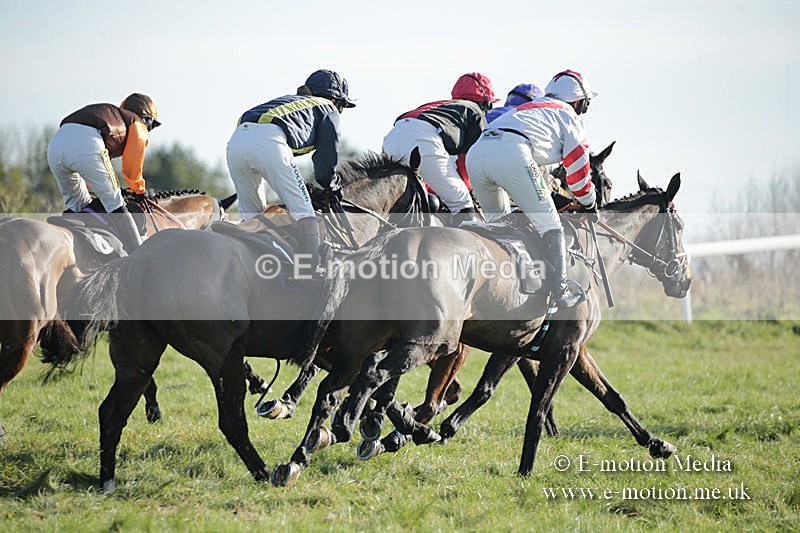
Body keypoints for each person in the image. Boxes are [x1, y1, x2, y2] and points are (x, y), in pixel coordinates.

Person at [466, 69, 598, 309]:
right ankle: (562, 291)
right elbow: (578, 174)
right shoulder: (570, 117)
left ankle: (500, 286)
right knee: (551, 225)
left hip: (477, 155)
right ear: (579, 102)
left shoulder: (533, 108)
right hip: (512, 153)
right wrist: (589, 202)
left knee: (499, 226)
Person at [226, 69, 355, 269]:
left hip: (236, 142)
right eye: (342, 106)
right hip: (270, 141)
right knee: (305, 213)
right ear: (334, 98)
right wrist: (332, 185)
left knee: (252, 217)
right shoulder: (328, 107)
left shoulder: (289, 102)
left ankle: (246, 267)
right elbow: (324, 163)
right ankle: (311, 272)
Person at [47, 93, 160, 252]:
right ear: (147, 118)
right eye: (152, 126)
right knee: (116, 204)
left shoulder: (113, 114)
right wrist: (139, 190)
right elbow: (131, 169)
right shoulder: (137, 123)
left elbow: (88, 173)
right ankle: (139, 257)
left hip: (55, 144)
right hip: (86, 143)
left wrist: (105, 186)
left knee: (80, 204)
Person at [382, 73, 499, 219]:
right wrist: (467, 190)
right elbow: (467, 162)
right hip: (422, 137)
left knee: (411, 199)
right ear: (486, 103)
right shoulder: (474, 112)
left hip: (392, 138)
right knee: (461, 202)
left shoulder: (441, 105)